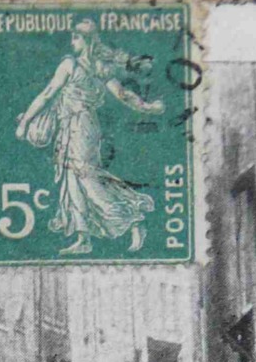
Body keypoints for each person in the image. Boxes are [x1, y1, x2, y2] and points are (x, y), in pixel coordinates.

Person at [14, 20, 165, 255]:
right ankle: (83, 238)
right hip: (79, 126)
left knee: (87, 178)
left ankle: (133, 218)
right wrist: (147, 107)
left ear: (86, 40)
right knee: (72, 179)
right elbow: (124, 95)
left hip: (79, 126)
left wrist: (24, 123)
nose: (72, 42)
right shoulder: (100, 69)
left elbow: (46, 94)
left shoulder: (70, 64)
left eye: (75, 37)